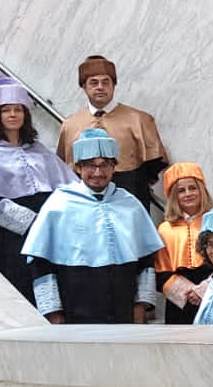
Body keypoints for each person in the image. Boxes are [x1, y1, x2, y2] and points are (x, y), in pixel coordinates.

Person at [21, 127, 164, 324]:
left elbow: (146, 260)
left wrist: (141, 305)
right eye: (90, 165)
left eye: (104, 165)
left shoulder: (129, 204)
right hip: (76, 306)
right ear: (78, 167)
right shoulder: (58, 205)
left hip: (123, 307)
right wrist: (53, 312)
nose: (98, 172)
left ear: (114, 167)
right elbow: (41, 263)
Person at [0, 78, 73, 304]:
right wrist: (28, 221)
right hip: (9, 234)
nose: (13, 115)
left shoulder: (38, 149)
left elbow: (65, 184)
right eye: (6, 110)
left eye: (18, 109)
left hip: (45, 227)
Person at [55, 56, 168, 209]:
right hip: (85, 202)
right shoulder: (70, 125)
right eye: (93, 82)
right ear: (84, 87)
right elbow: (64, 168)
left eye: (105, 81)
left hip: (130, 195)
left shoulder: (139, 119)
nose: (100, 87)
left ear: (113, 85)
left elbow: (153, 164)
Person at [154, 163, 213, 324]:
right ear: (173, 196)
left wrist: (203, 291)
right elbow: (161, 272)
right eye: (181, 190)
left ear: (201, 190)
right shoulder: (165, 229)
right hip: (179, 304)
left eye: (192, 188)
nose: (188, 194)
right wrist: (186, 293)